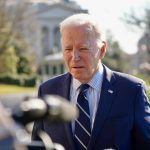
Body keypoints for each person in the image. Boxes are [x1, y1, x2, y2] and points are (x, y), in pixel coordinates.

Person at [32, 13, 150, 150]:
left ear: (102, 50)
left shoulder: (131, 90)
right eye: (68, 49)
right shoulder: (47, 90)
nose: (75, 57)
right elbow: (37, 145)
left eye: (83, 48)